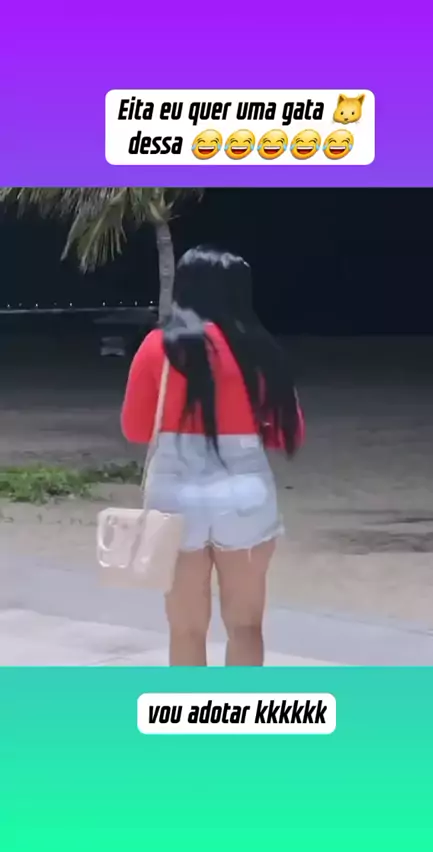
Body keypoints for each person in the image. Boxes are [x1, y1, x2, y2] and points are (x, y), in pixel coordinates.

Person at [121, 246, 304, 666]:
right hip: (244, 494)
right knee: (245, 626)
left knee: (186, 628)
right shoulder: (259, 349)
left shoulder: (158, 347)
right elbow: (288, 432)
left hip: (175, 496)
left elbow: (135, 428)